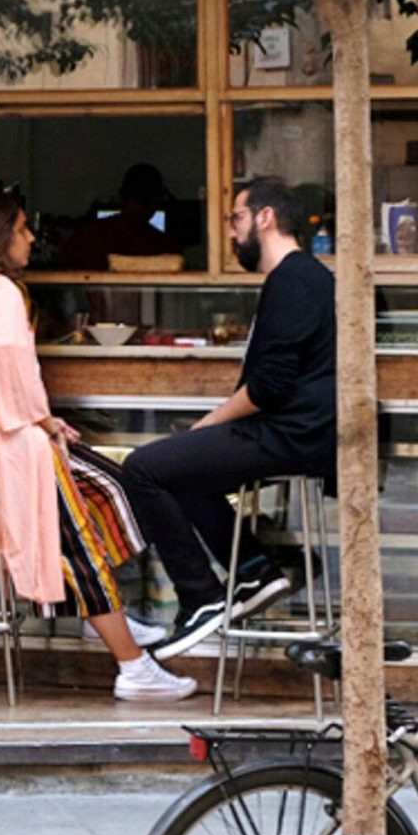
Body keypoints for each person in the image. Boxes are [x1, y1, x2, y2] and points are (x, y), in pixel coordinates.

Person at [0, 188, 196, 702]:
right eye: (23, 228)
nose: (31, 238)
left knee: (111, 490)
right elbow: (10, 371)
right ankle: (132, 665)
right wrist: (44, 420)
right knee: (79, 540)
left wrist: (42, 421)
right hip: (9, 443)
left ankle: (113, 616)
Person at [121, 175, 325, 658]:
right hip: (293, 429)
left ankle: (200, 598)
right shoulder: (302, 276)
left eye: (236, 219)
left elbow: (271, 385)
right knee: (183, 469)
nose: (233, 233)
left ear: (265, 217)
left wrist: (211, 423)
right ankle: (255, 570)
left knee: (142, 468)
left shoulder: (294, 279)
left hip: (290, 434)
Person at [49, 162, 184, 270]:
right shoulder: (163, 245)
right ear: (156, 201)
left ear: (121, 196)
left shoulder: (91, 234)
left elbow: (62, 264)